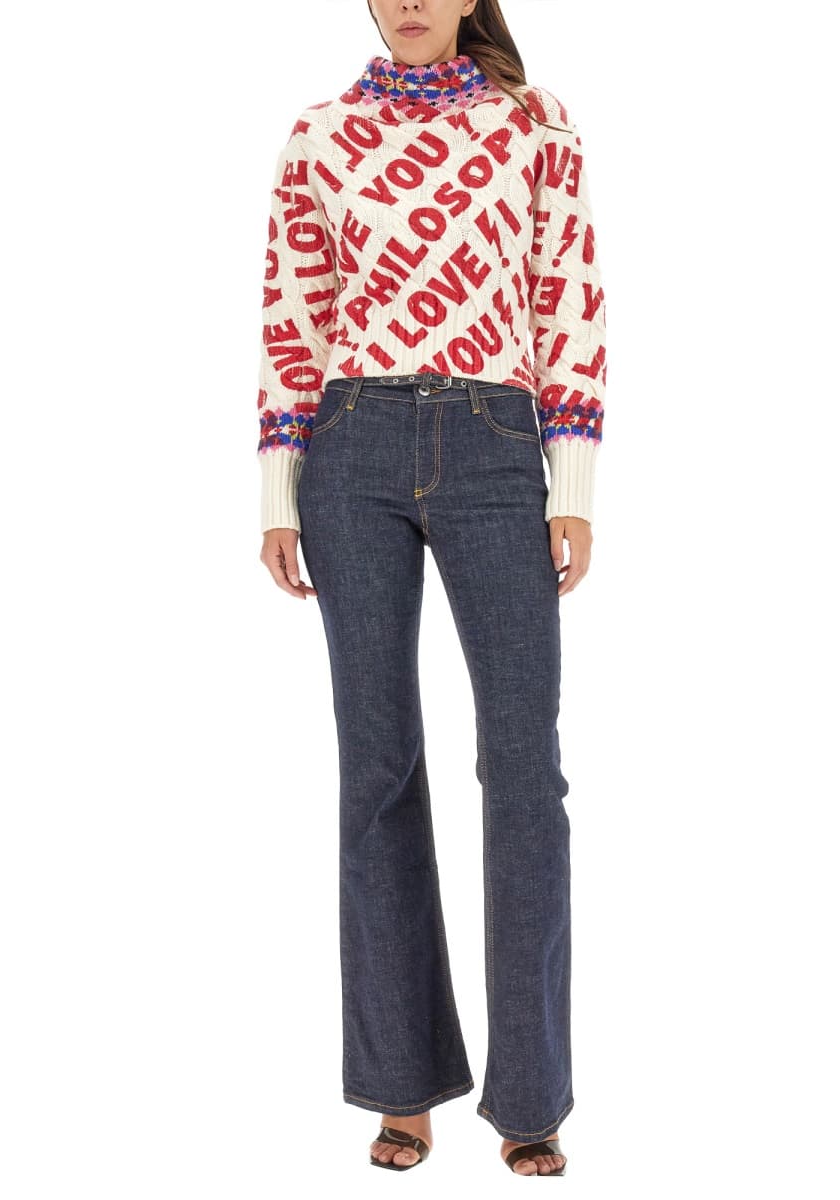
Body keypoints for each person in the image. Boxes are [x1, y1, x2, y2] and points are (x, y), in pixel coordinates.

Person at [255, 0, 606, 1177]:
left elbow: (568, 293)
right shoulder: (319, 134)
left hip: (498, 446)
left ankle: (531, 1097)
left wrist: (573, 482)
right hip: (349, 449)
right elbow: (293, 314)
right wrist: (277, 491)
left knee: (524, 769)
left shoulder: (535, 122)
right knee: (378, 768)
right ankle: (399, 1086)